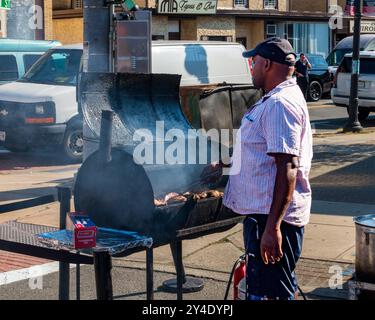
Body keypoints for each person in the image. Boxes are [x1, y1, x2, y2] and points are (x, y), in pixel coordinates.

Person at [201, 37, 313, 300]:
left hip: (273, 219)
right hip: (266, 217)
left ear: (266, 64)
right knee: (268, 290)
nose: (250, 67)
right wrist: (228, 163)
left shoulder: (279, 105)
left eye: (253, 62)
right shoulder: (279, 97)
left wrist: (272, 228)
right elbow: (264, 151)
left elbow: (288, 167)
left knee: (272, 294)